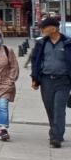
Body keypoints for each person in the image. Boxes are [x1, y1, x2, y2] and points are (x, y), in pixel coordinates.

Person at [30, 16, 71, 148]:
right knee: (50, 108)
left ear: (53, 28)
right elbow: (35, 61)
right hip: (46, 80)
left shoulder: (68, 43)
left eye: (44, 27)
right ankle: (55, 131)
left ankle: (56, 137)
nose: (41, 29)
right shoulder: (41, 43)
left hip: (63, 81)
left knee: (59, 108)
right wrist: (35, 79)